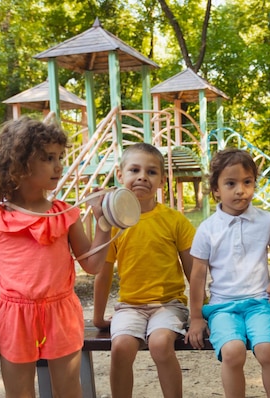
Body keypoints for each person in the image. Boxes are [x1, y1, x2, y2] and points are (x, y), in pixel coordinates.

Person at [0, 117, 113, 398]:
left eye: (60, 157)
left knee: (69, 391)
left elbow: (91, 266)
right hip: (14, 316)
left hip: (61, 312)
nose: (58, 166)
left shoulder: (64, 214)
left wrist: (104, 224)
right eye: (47, 158)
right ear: (19, 164)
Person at [93, 142, 195, 398]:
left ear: (161, 180)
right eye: (134, 170)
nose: (142, 177)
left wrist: (199, 315)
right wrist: (97, 318)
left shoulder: (174, 220)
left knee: (160, 344)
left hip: (169, 304)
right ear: (120, 175)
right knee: (121, 348)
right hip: (130, 306)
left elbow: (194, 272)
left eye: (151, 172)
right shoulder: (113, 224)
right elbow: (102, 274)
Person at [185, 148, 270, 398]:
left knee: (267, 350)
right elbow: (197, 276)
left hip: (260, 304)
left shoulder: (265, 220)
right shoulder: (208, 229)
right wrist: (196, 317)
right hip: (222, 307)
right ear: (216, 189)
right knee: (232, 352)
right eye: (230, 183)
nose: (240, 190)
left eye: (247, 182)